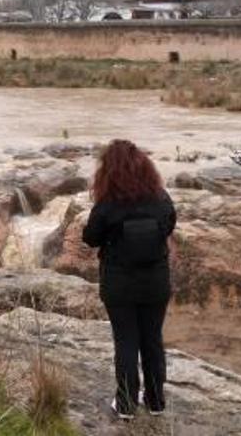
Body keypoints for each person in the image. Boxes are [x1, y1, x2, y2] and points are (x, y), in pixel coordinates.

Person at [82, 139, 176, 420]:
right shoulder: (160, 197)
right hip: (156, 282)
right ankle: (156, 402)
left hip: (119, 284)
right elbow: (170, 223)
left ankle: (125, 406)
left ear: (108, 171)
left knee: (126, 342)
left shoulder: (107, 204)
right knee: (152, 340)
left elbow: (90, 238)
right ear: (145, 166)